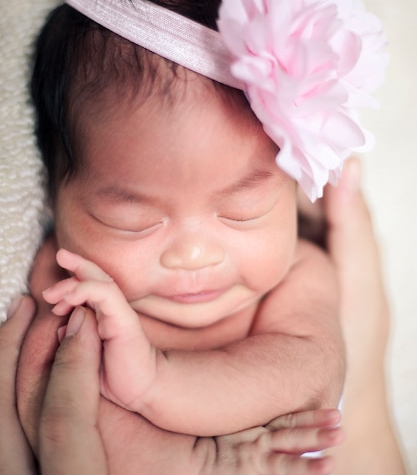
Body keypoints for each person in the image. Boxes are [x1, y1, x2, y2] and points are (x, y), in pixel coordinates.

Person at [0, 159, 407, 474]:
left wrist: (158, 382)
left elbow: (310, 374)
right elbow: (56, 408)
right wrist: (192, 463)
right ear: (55, 196)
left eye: (242, 209)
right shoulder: (72, 278)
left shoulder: (298, 270)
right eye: (132, 220)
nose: (193, 255)